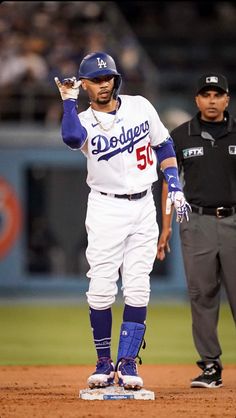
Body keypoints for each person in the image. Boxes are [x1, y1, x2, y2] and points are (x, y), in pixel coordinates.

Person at [54, 51, 190, 390]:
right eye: (96, 80)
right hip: (106, 207)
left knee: (138, 285)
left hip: (144, 206)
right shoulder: (82, 120)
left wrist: (173, 182)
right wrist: (69, 103)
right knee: (100, 288)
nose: (104, 84)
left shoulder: (140, 106)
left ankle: (127, 362)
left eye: (108, 78)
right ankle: (103, 362)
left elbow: (164, 144)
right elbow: (71, 139)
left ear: (116, 79)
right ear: (84, 85)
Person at [157, 73, 236, 388]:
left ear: (227, 99)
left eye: (218, 95)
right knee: (202, 295)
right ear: (197, 100)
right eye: (206, 95)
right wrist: (166, 226)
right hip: (196, 222)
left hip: (234, 220)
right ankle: (211, 366)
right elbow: (168, 183)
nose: (212, 101)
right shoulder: (181, 136)